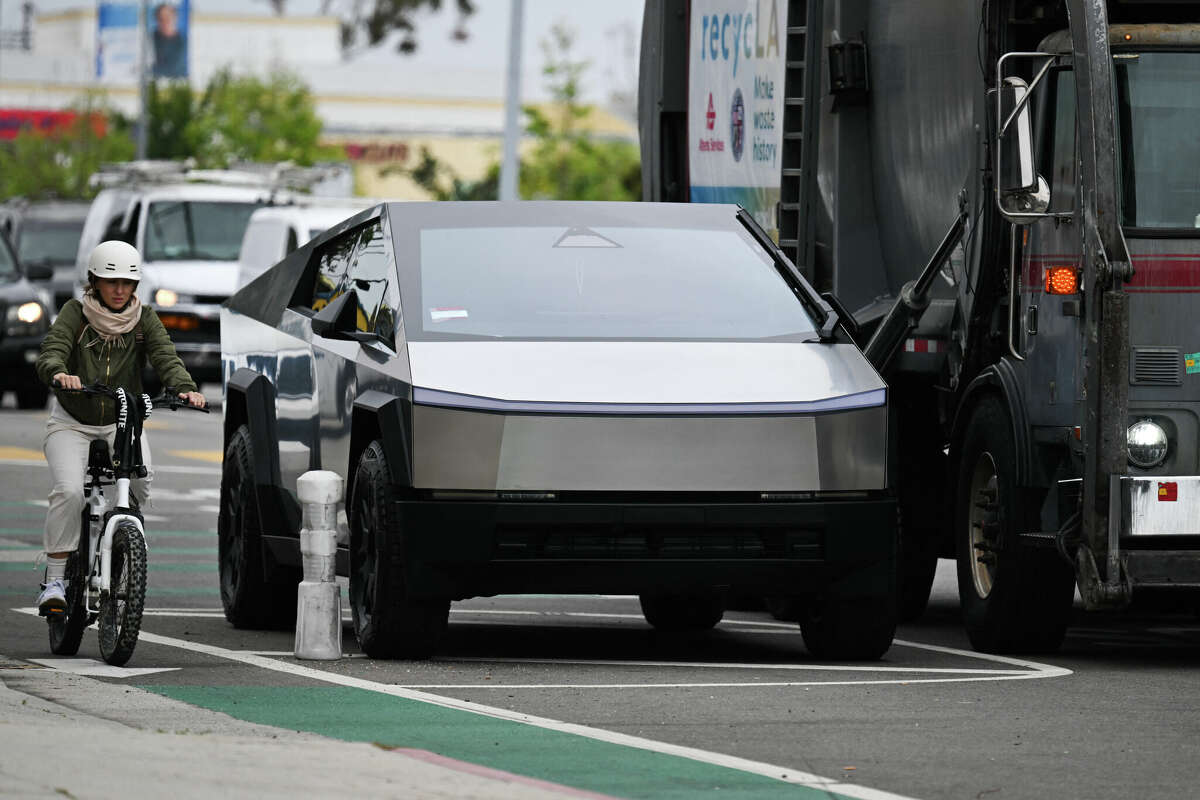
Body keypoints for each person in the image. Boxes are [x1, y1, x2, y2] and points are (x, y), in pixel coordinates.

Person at [34, 240, 206, 615]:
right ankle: (56, 580)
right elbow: (53, 348)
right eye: (110, 282)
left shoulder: (144, 319)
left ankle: (121, 544)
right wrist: (59, 373)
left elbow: (166, 357)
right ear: (94, 281)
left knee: (142, 482)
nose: (119, 290)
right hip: (72, 421)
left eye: (127, 283)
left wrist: (186, 389)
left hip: (122, 420)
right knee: (68, 492)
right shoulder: (75, 313)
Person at [151, 3, 188, 79]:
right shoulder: (151, 39)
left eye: (168, 18)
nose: (165, 22)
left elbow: (178, 68)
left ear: (175, 18)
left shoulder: (183, 41)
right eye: (161, 19)